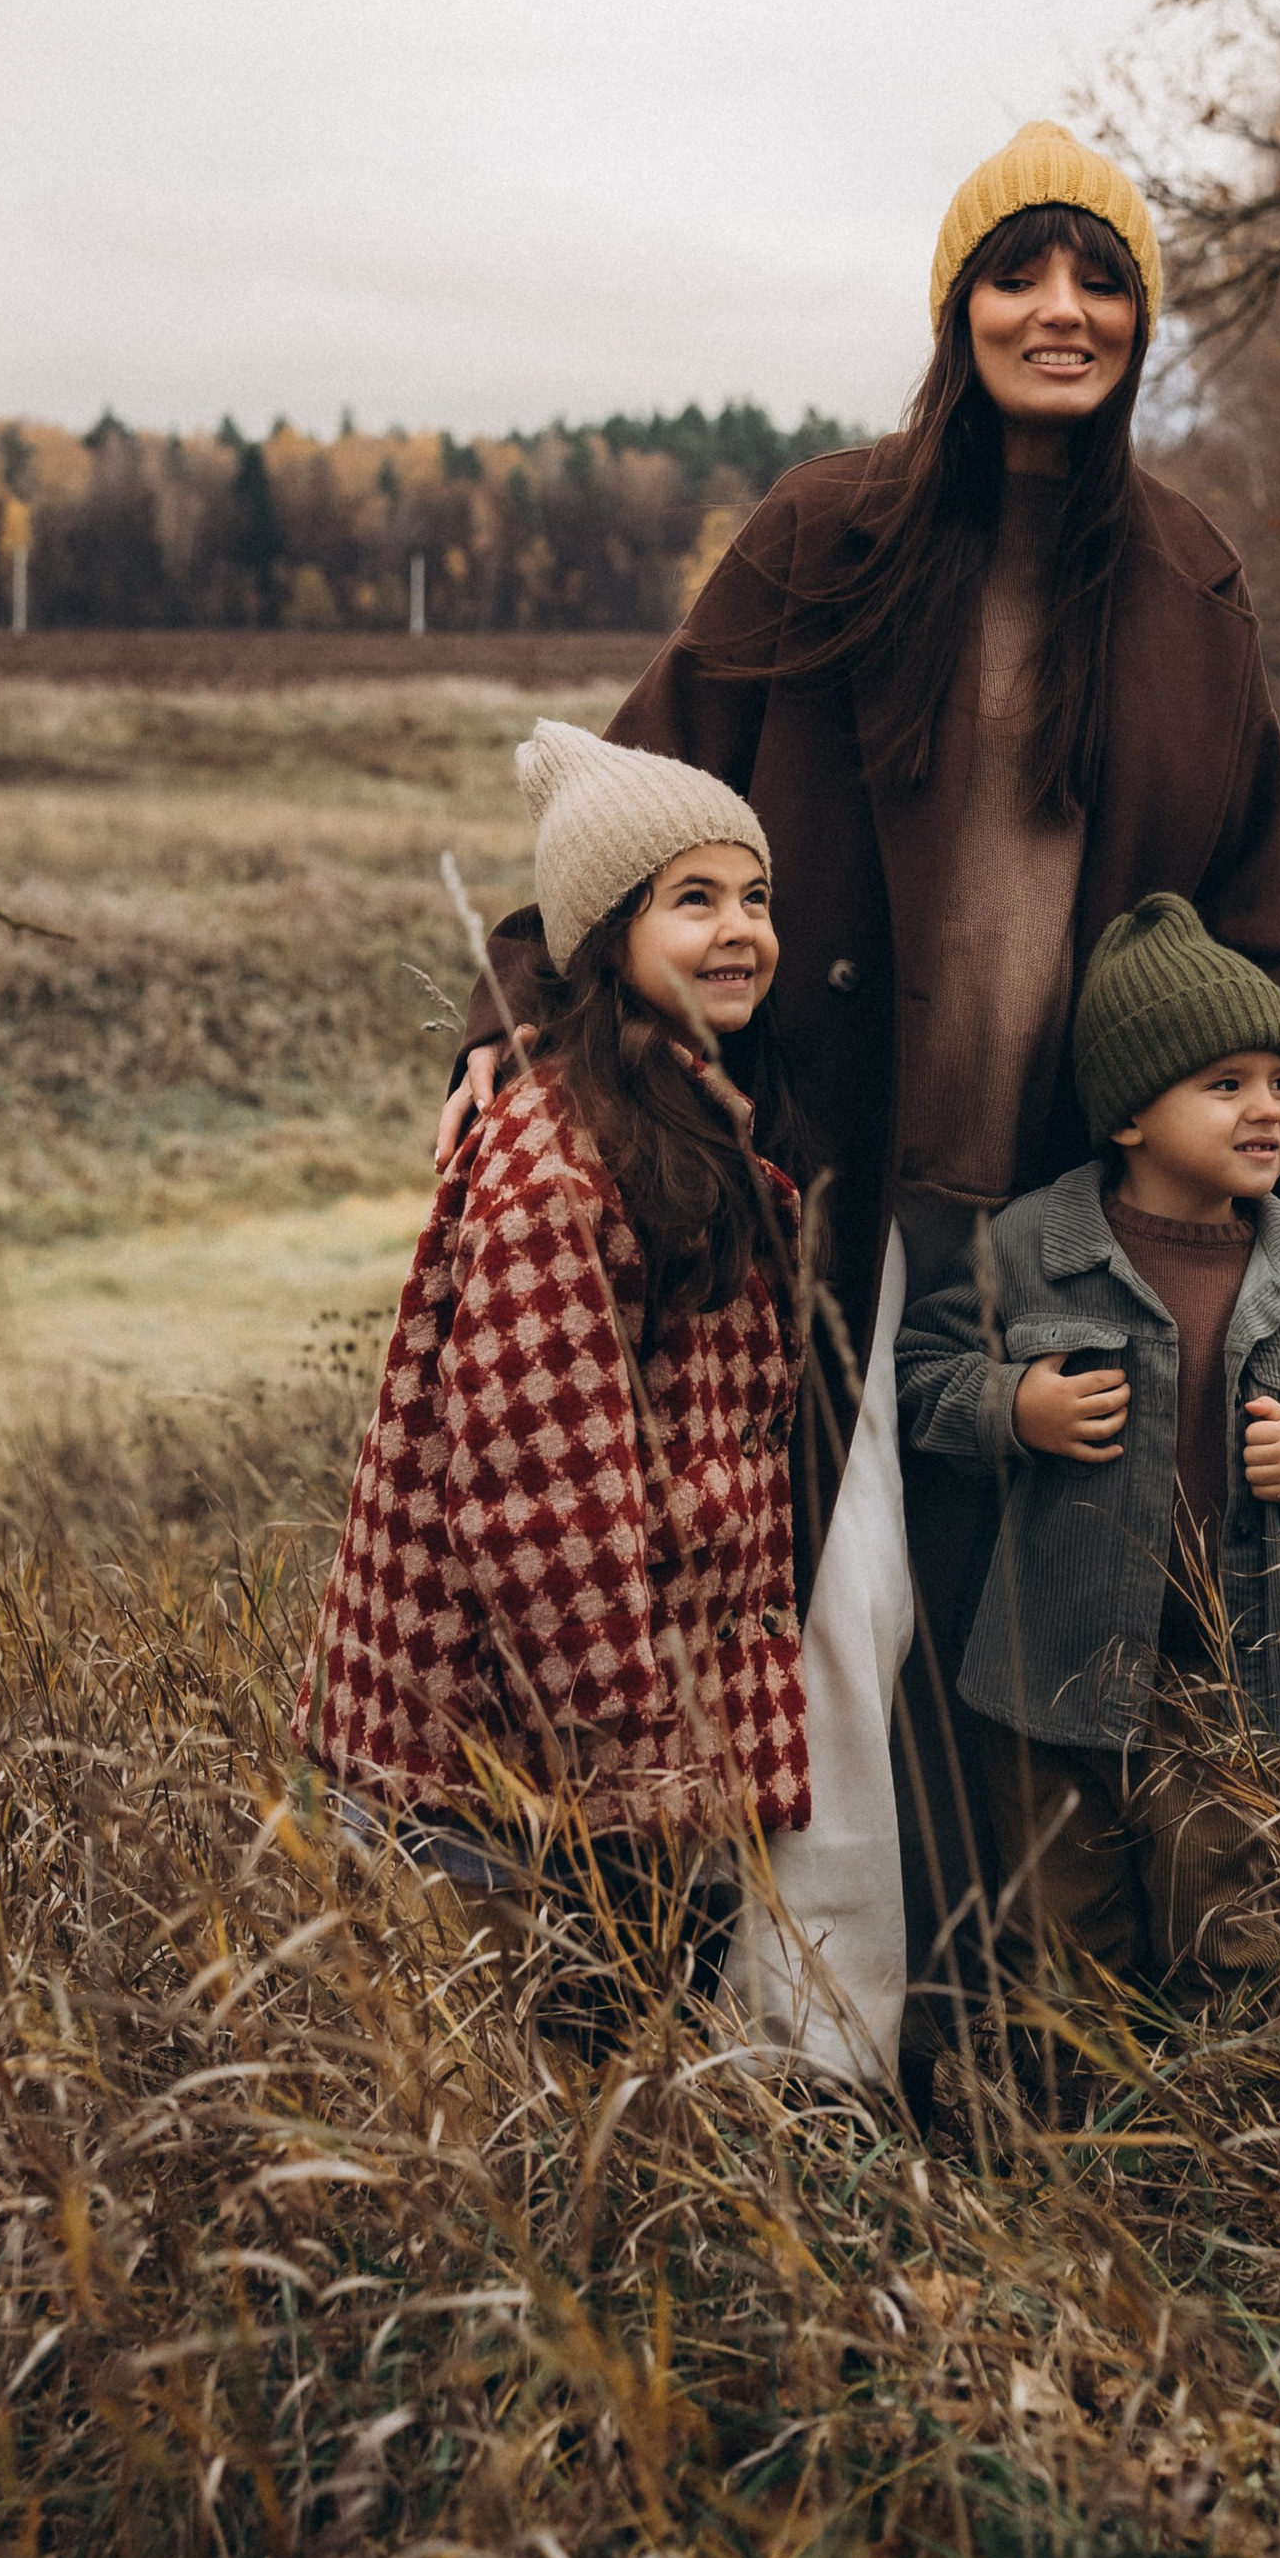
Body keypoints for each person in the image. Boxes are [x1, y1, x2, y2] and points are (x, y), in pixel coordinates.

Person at [440, 122, 1280, 2080]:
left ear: (1138, 319)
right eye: (1017, 273)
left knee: (1011, 1678)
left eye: (1099, 277)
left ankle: (992, 2087)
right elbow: (640, 805)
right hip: (808, 1194)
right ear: (957, 306)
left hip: (1059, 1221)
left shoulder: (1185, 585)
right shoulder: (827, 538)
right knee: (775, 1626)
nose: (1059, 311)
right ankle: (684, 2064)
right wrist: (510, 1044)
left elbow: (1259, 918)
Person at [297, 721, 807, 2054]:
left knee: (638, 2031)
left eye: (754, 896)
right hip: (535, 1739)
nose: (739, 928)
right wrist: (626, 1745)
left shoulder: (697, 1117)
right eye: (691, 900)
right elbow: (537, 1498)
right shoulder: (557, 1163)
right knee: (560, 2055)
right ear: (600, 937)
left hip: (626, 1724)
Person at [898, 894, 1280, 1994]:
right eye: (1224, 1084)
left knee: (1237, 1933)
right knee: (1063, 1950)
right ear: (1131, 1114)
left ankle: (1222, 2141)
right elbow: (915, 1380)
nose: (1270, 1109)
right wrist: (1014, 1408)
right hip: (1046, 1670)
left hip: (1230, 1680)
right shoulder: (1036, 1247)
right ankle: (1079, 2149)